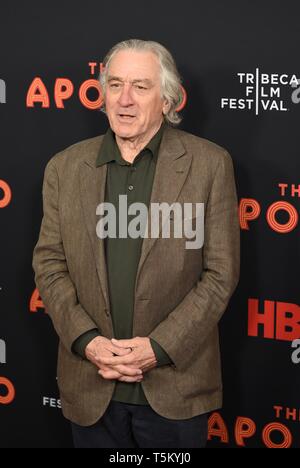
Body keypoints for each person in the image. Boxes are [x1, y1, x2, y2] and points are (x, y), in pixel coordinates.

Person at [32, 39, 240, 448]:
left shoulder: (210, 165)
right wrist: (86, 341)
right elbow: (49, 264)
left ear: (166, 100)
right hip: (91, 386)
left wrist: (159, 347)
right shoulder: (64, 167)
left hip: (174, 390)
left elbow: (220, 274)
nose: (124, 100)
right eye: (115, 84)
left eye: (141, 87)